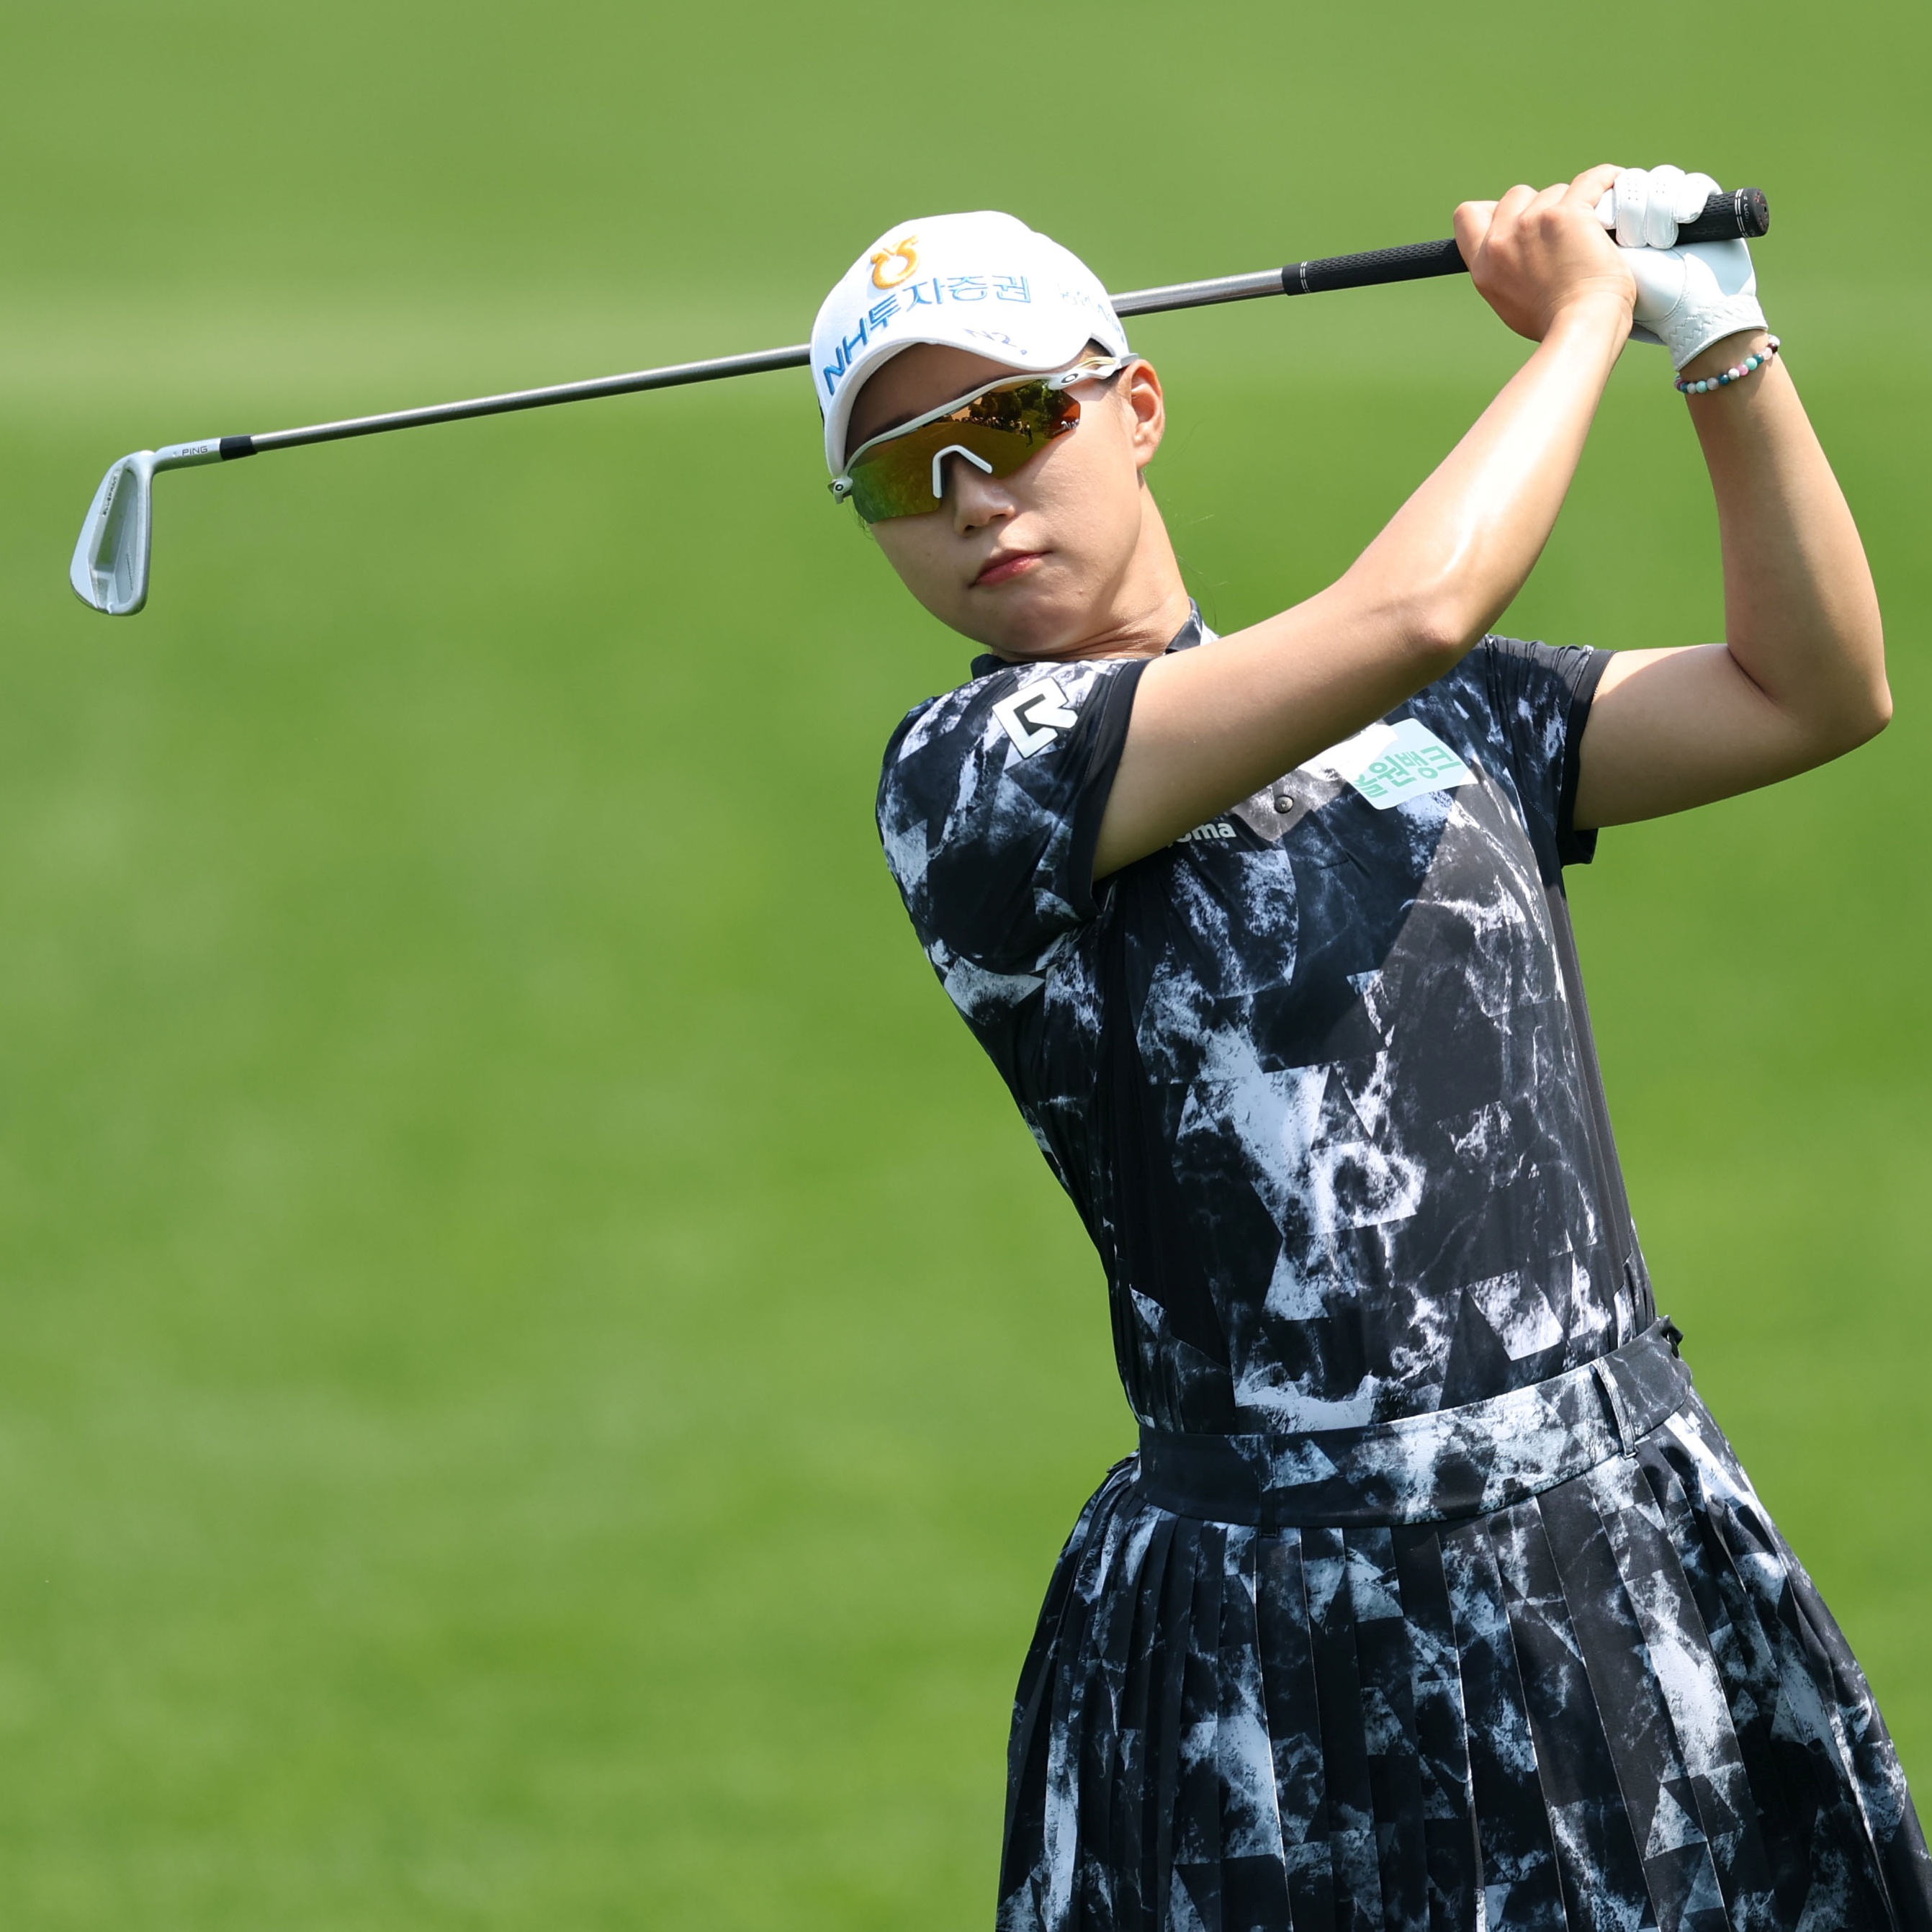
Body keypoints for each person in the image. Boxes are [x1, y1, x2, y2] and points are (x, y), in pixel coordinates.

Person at [812, 168, 1930, 1931]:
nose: (971, 494)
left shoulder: (1448, 719)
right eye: (901, 470)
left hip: (1611, 1543)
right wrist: (1585, 315)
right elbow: (1417, 605)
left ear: (1135, 404)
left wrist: (1717, 338)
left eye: (1012, 418)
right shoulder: (976, 781)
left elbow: (1812, 688)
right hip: (1283, 1629)